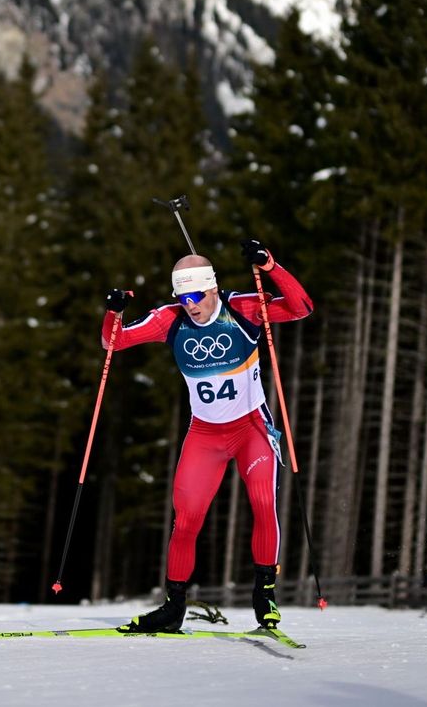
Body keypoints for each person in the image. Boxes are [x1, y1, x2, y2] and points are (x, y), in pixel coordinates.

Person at [101, 238, 313, 633]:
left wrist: (270, 267)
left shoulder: (243, 307)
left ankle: (264, 594)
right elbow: (114, 341)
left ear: (213, 287)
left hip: (250, 427)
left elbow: (301, 307)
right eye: (182, 297)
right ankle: (172, 607)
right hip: (205, 435)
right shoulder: (171, 319)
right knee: (186, 521)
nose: (190, 304)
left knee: (263, 503)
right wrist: (113, 312)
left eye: (197, 294)